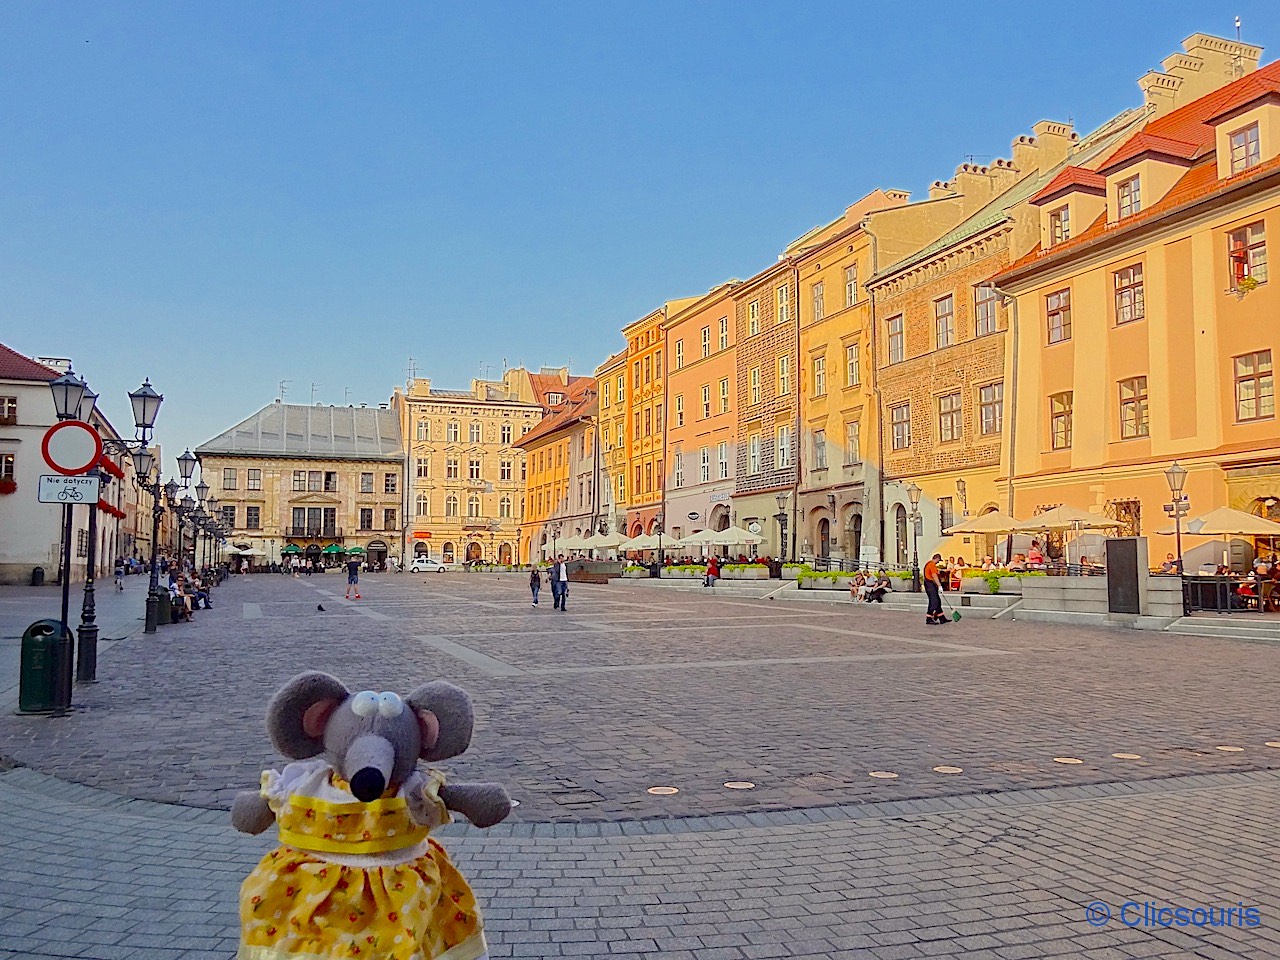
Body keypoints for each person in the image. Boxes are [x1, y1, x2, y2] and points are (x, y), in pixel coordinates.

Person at [923, 553, 948, 625]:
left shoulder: (929, 564)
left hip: (930, 584)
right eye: (938, 560)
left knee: (937, 601)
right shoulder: (932, 565)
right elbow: (934, 575)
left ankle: (941, 617)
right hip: (930, 584)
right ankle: (929, 618)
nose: (938, 562)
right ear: (936, 558)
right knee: (934, 601)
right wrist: (939, 585)